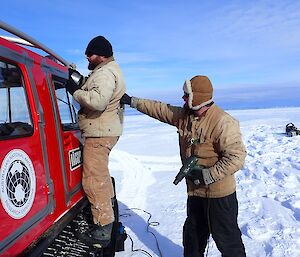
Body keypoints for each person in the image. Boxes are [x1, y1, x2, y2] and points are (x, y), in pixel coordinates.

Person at [120, 75, 247, 257]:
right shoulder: (186, 116)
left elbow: (237, 157)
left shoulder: (222, 122)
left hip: (219, 195)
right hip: (195, 192)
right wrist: (133, 101)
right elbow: (161, 109)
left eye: (187, 95)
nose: (183, 99)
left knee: (228, 241)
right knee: (193, 238)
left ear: (199, 97)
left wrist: (208, 175)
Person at [66, 36, 126, 248]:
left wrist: (76, 92)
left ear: (100, 55)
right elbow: (98, 92)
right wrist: (82, 82)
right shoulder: (106, 71)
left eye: (89, 54)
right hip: (103, 130)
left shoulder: (106, 73)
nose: (87, 58)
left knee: (93, 179)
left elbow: (98, 101)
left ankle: (102, 230)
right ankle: (108, 216)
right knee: (100, 175)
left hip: (100, 132)